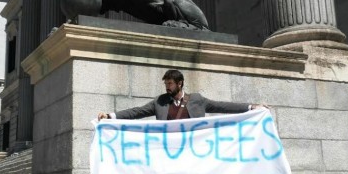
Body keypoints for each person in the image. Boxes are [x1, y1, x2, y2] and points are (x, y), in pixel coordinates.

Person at [98, 69, 267, 121]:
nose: (167, 87)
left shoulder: (197, 100)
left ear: (180, 84)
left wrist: (251, 107)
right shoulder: (160, 102)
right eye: (166, 84)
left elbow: (222, 106)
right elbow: (137, 112)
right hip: (169, 151)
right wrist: (111, 116)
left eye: (170, 84)